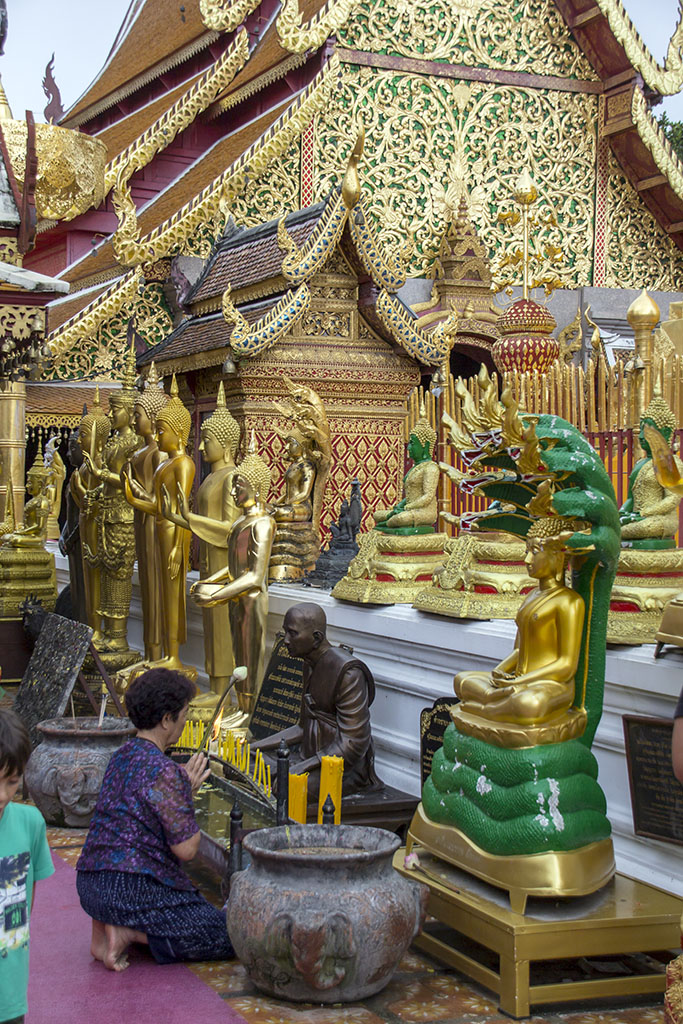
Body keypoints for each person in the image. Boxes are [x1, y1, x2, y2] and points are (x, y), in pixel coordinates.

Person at [76, 668, 234, 971]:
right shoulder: (165, 771)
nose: (185, 721)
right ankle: (130, 932)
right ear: (166, 719)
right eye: (184, 714)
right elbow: (186, 849)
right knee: (226, 934)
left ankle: (104, 930)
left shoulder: (120, 756)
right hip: (129, 890)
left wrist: (180, 789)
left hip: (90, 885)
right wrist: (185, 794)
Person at [251, 602, 379, 800]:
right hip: (309, 758)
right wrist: (254, 747)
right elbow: (302, 727)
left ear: (316, 638)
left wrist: (301, 767)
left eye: (292, 633)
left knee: (286, 786)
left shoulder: (348, 674)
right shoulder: (309, 662)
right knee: (247, 765)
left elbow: (353, 742)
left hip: (342, 769)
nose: (285, 640)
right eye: (285, 632)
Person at [0, 709, 54, 1024]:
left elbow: (23, 907)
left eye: (11, 782)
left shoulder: (31, 823)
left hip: (10, 995)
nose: (3, 795)